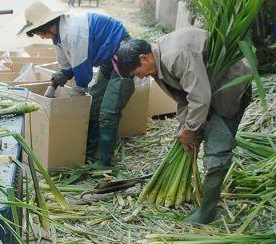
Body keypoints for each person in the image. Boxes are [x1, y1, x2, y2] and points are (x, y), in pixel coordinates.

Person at [115, 29, 252, 224]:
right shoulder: (157, 65)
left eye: (137, 73)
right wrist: (184, 128)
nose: (140, 78)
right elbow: (183, 98)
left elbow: (199, 97)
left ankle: (207, 212)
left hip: (229, 88)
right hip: (205, 92)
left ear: (144, 58)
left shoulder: (176, 55)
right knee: (188, 141)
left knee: (217, 154)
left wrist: (191, 130)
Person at [19, 1, 134, 167]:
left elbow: (82, 73)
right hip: (108, 58)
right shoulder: (58, 37)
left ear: (47, 25)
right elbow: (67, 67)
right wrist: (56, 82)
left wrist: (73, 101)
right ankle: (88, 153)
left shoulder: (73, 32)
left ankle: (104, 162)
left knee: (108, 112)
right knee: (94, 105)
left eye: (40, 32)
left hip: (123, 52)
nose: (41, 36)